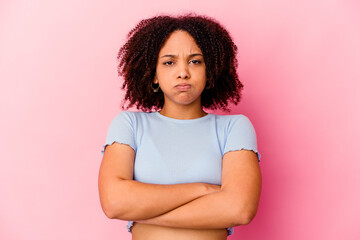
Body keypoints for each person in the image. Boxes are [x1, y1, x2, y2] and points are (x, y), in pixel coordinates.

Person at [98, 13, 262, 240]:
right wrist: (202, 189)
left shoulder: (234, 128)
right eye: (169, 62)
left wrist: (141, 211)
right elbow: (114, 202)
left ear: (210, 71)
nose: (183, 72)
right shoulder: (130, 124)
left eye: (195, 61)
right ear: (154, 74)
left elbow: (239, 209)